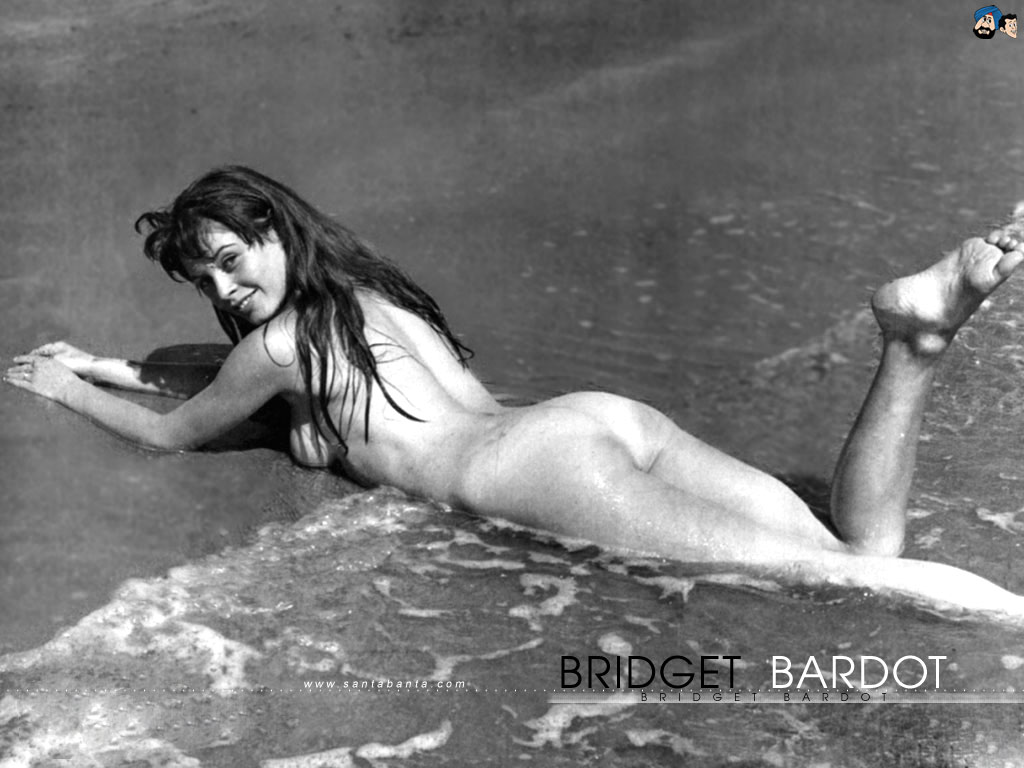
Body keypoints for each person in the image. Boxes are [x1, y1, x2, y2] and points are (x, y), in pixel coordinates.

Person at [6, 166, 1024, 618]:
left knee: (840, 581)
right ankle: (913, 341)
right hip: (587, 419)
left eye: (231, 261)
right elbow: (212, 365)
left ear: (270, 230)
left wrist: (64, 386)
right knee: (865, 547)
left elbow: (174, 434)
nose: (226, 291)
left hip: (531, 469)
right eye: (207, 282)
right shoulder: (361, 295)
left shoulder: (276, 349)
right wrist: (107, 362)